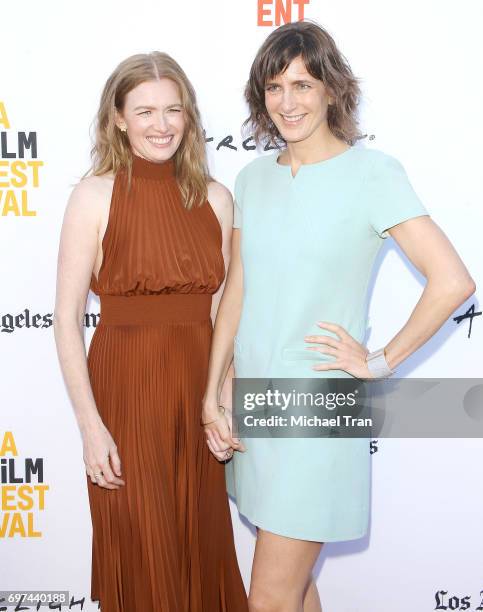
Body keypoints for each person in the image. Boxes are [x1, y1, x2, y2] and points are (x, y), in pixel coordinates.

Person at [201, 21, 476, 612]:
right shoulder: (252, 179)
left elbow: (453, 282)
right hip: (255, 399)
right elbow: (236, 294)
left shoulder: (373, 174)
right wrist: (215, 390)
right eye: (275, 87)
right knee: (297, 588)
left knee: (269, 595)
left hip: (320, 401)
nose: (288, 102)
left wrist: (379, 361)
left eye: (303, 85)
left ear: (331, 89)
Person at [53, 51, 248, 612]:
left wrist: (223, 399)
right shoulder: (93, 196)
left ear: (188, 117)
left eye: (172, 110)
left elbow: (220, 314)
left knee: (197, 544)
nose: (160, 125)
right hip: (125, 392)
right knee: (143, 550)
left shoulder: (216, 198)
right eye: (144, 111)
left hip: (195, 395)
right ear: (117, 117)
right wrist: (91, 428)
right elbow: (66, 319)